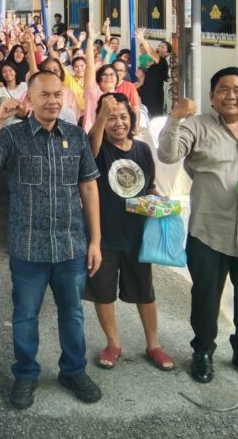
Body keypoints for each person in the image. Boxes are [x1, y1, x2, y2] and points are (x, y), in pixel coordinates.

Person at [0, 71, 103, 410]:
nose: (52, 101)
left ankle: (73, 371)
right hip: (27, 247)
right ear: (29, 99)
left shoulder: (76, 136)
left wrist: (95, 241)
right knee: (25, 316)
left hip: (70, 245)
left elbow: (89, 188)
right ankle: (26, 375)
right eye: (44, 94)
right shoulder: (13, 136)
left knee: (72, 313)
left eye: (57, 94)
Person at [157, 67, 238, 386]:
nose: (231, 95)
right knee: (205, 298)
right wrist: (176, 117)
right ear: (212, 97)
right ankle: (202, 352)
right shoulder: (197, 126)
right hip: (208, 231)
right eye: (224, 90)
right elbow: (168, 154)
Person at [85, 92, 175, 371]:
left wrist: (160, 201)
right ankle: (113, 343)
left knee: (144, 292)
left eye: (123, 117)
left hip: (138, 236)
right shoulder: (98, 149)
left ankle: (153, 344)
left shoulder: (143, 150)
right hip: (104, 237)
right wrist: (102, 116)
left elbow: (149, 186)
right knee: (103, 292)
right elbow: (90, 147)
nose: (118, 123)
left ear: (132, 119)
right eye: (111, 118)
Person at [135, 29, 170, 117]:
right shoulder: (153, 62)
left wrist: (142, 39)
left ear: (167, 53)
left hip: (154, 96)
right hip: (146, 93)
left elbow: (150, 51)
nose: (159, 48)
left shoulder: (161, 61)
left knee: (153, 118)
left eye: (163, 47)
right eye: (159, 46)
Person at [0, 61, 28, 127]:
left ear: (15, 72)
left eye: (10, 70)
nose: (8, 73)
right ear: (2, 75)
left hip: (22, 125)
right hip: (5, 126)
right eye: (4, 72)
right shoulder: (0, 89)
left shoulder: (24, 86)